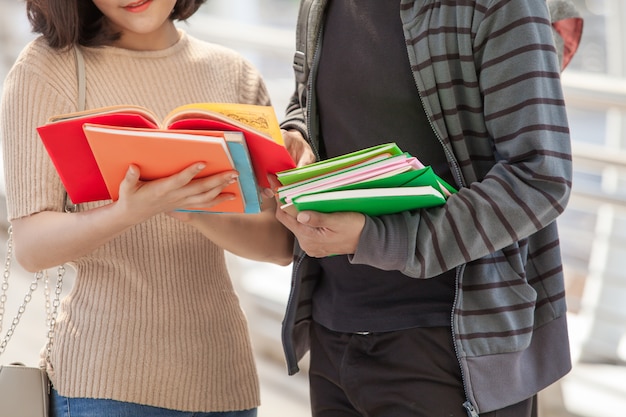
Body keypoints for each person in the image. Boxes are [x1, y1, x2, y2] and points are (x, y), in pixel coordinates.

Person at [276, 1, 583, 416]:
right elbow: (307, 99)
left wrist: (380, 239)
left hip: (454, 343)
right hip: (332, 330)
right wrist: (296, 136)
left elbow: (540, 177)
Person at [0, 1, 294, 416]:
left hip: (226, 381)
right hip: (105, 385)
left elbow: (280, 247)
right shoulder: (47, 70)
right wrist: (128, 212)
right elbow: (31, 247)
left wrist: (192, 209)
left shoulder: (234, 74)